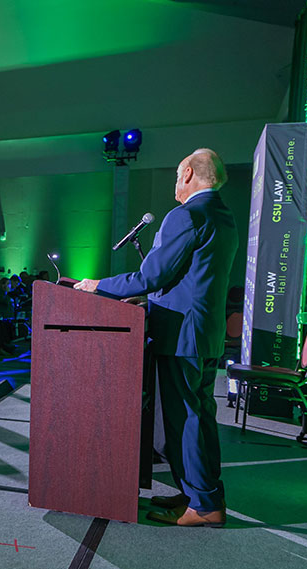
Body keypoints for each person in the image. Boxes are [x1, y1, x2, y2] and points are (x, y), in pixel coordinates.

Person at [73, 148, 237, 528]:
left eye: (176, 176)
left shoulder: (187, 214)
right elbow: (193, 278)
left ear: (188, 173)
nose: (174, 185)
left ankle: (204, 506)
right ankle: (199, 493)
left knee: (187, 420)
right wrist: (149, 297)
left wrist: (98, 285)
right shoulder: (222, 215)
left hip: (181, 335)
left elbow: (153, 275)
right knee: (201, 416)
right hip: (204, 333)